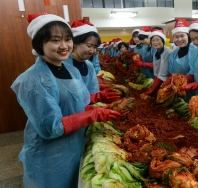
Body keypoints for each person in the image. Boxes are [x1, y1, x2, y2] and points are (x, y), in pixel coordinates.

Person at [10, 13, 120, 188]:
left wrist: (98, 101)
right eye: (55, 40)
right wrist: (93, 115)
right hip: (49, 154)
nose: (64, 46)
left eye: (68, 39)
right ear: (40, 44)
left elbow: (80, 101)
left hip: (73, 145)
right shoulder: (33, 79)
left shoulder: (70, 70)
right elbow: (51, 127)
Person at [65, 19, 120, 103]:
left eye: (95, 47)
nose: (93, 51)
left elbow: (94, 91)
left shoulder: (89, 66)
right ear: (75, 43)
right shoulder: (63, 65)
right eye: (89, 46)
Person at [162, 18, 196, 102]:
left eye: (182, 36)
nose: (179, 39)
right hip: (177, 90)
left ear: (188, 36)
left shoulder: (195, 51)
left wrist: (181, 82)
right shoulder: (173, 53)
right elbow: (171, 72)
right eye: (176, 37)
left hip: (193, 90)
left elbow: (194, 72)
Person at [137, 27, 172, 96]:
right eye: (153, 40)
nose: (155, 42)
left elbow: (163, 73)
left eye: (158, 40)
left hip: (168, 82)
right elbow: (156, 71)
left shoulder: (167, 52)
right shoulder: (156, 52)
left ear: (163, 41)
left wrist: (151, 90)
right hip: (161, 81)